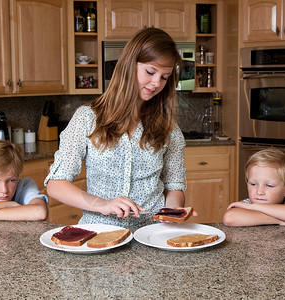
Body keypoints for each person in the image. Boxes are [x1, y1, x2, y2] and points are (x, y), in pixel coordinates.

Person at [45, 27, 194, 227]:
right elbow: (56, 185)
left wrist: (172, 214)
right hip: (98, 232)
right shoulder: (87, 118)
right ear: (129, 65)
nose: (157, 82)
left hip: (151, 233)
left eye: (165, 77)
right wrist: (103, 205)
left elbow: (174, 187)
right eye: (150, 71)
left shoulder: (168, 128)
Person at [223, 148, 285, 227]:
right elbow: (229, 218)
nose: (259, 192)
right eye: (253, 184)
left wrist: (254, 207)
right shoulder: (250, 203)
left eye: (269, 185)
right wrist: (281, 220)